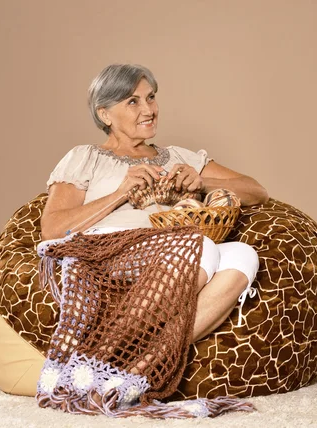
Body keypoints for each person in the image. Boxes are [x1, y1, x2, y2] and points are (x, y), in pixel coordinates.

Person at [41, 63, 269, 344]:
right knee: (200, 247)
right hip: (108, 252)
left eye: (150, 97)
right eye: (133, 102)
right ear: (105, 114)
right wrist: (121, 193)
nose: (148, 110)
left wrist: (201, 181)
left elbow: (257, 191)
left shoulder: (178, 157)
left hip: (176, 250)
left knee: (243, 255)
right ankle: (107, 353)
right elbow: (52, 229)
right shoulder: (86, 157)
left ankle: (142, 366)